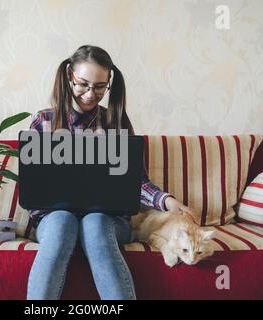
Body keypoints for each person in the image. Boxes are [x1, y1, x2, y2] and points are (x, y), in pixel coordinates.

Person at [26, 45, 193, 300]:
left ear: (109, 83)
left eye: (100, 87)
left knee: (94, 223)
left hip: (107, 221)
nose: (91, 94)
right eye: (83, 84)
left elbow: (136, 182)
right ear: (70, 75)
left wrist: (166, 200)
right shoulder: (44, 121)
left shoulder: (116, 123)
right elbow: (33, 186)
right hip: (55, 219)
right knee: (62, 221)